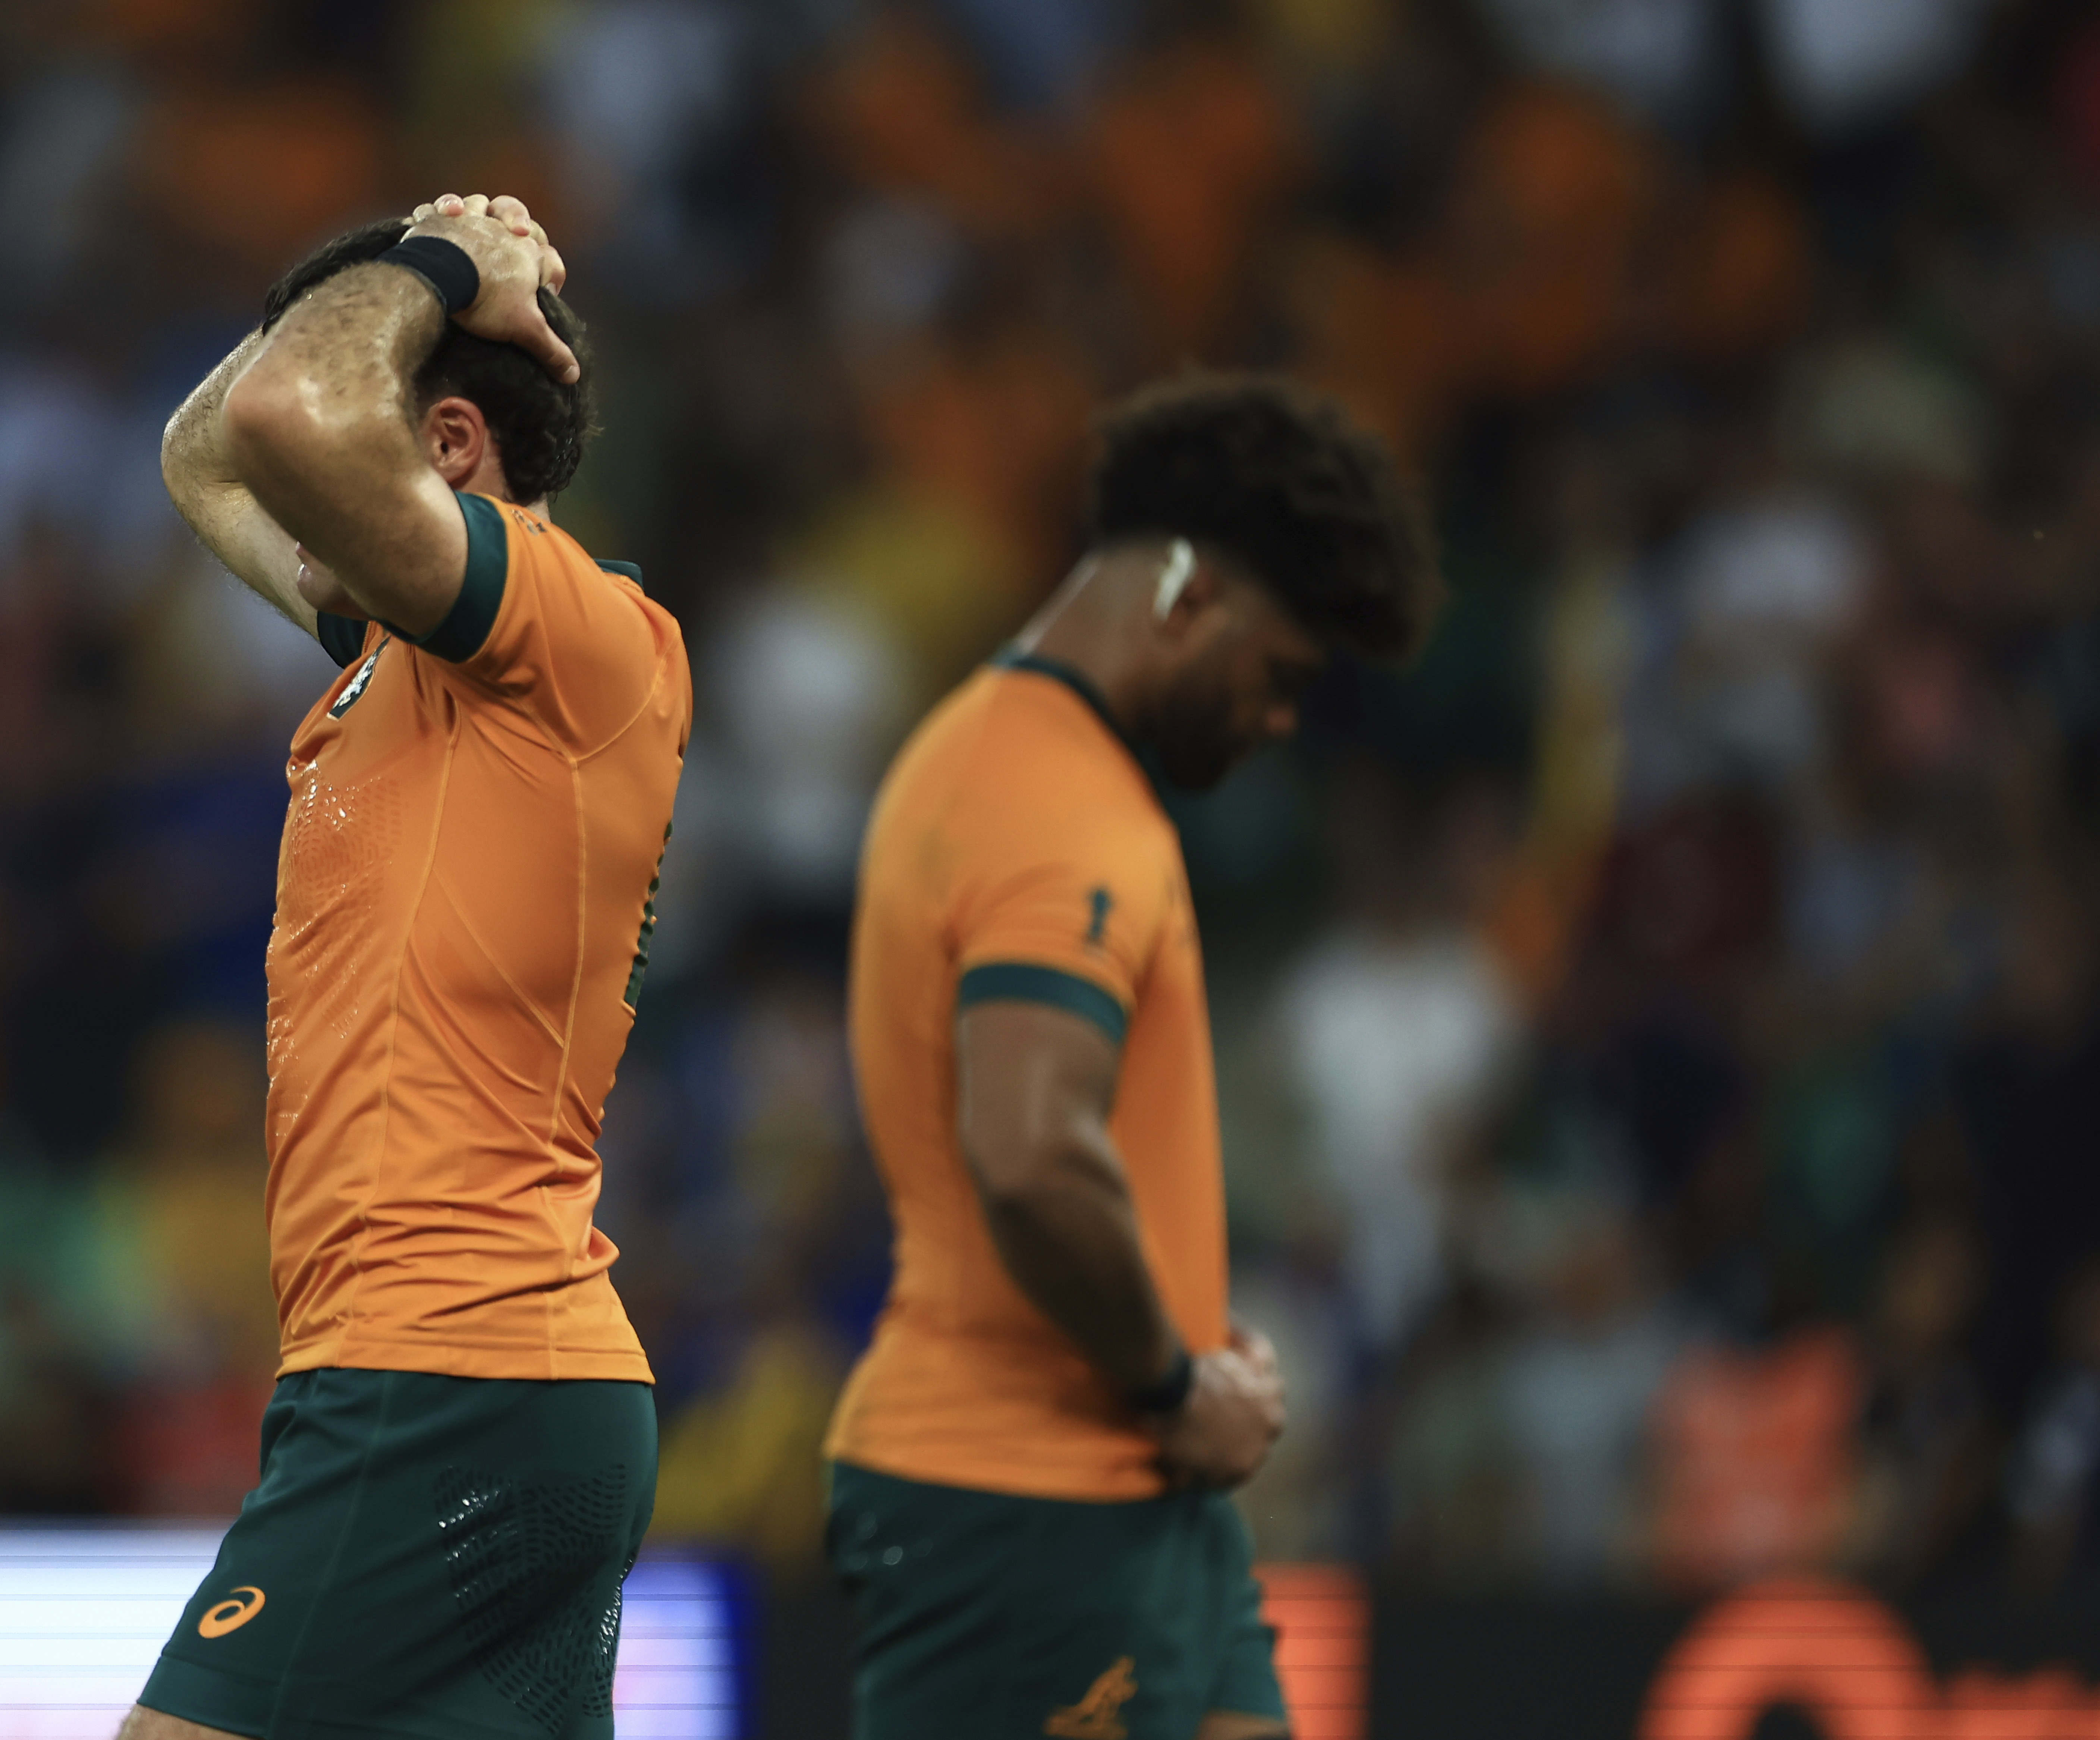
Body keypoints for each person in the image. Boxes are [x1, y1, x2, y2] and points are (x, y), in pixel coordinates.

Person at [125, 193, 689, 1740]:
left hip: (451, 1370)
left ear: (445, 448)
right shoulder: (393, 657)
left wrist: (442, 272)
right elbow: (205, 450)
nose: (295, 509)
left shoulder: (582, 642)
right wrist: (411, 234)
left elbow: (278, 409)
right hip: (475, 1381)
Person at [823, 373, 1440, 1740]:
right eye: (1278, 676)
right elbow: (1033, 1153)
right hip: (1033, 1505)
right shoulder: (1061, 810)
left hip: (1130, 1498)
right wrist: (1174, 1378)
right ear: (1185, 595)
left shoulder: (985, 755)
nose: (1279, 722)